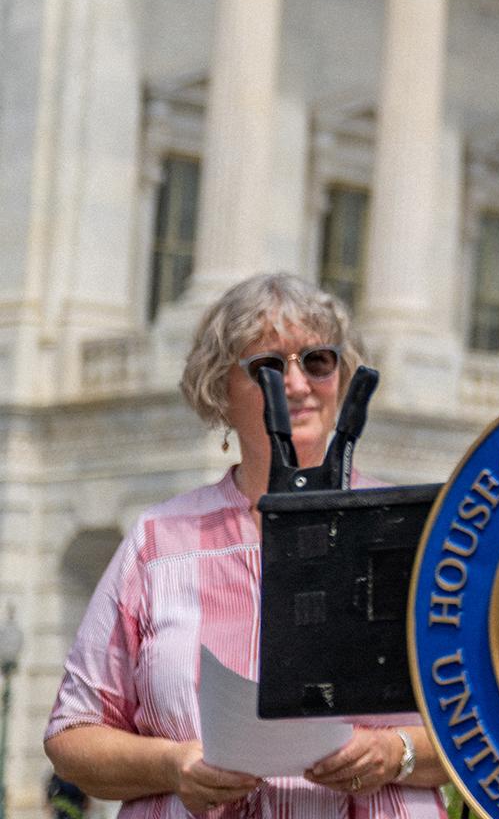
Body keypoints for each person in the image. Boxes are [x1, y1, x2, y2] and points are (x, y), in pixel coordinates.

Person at [47, 274, 448, 819]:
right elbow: (73, 736)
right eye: (268, 367)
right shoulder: (158, 542)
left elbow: (490, 725)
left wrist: (395, 752)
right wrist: (174, 765)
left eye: (318, 362)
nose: (298, 384)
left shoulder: (414, 532)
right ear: (219, 388)